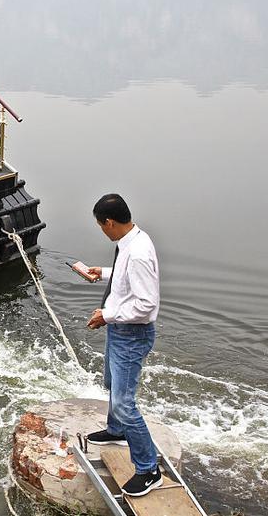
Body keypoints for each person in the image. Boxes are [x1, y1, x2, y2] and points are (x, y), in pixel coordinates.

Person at [84, 193, 163, 497]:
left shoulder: (139, 252)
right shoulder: (131, 242)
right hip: (120, 330)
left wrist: (107, 315)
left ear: (110, 222)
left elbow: (145, 304)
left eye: (101, 225)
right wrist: (101, 272)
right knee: (110, 382)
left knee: (124, 403)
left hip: (130, 335)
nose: (102, 230)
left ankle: (148, 469)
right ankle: (116, 431)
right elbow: (126, 279)